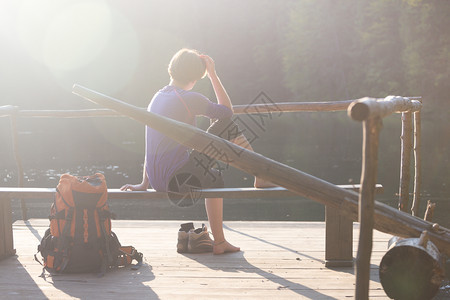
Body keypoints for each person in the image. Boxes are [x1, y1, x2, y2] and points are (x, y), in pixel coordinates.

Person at [120, 48, 274, 254]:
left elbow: (152, 143)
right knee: (226, 128)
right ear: (196, 76)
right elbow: (227, 111)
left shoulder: (157, 97)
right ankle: (222, 238)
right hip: (177, 180)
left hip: (158, 180)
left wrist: (144, 183)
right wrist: (213, 74)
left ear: (172, 69)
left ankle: (258, 176)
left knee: (213, 170)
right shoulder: (188, 98)